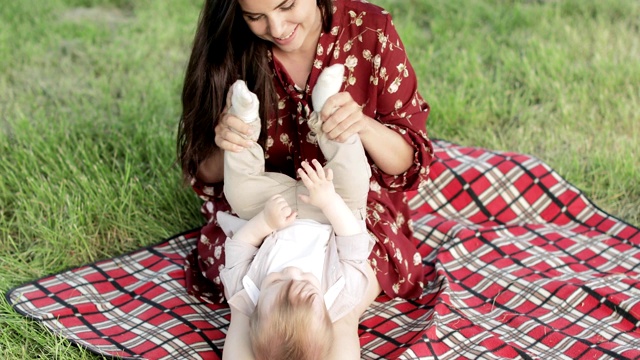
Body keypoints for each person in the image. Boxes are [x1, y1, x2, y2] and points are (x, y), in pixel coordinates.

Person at [177, 0, 433, 352]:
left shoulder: (370, 29)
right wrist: (229, 140)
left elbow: (407, 161)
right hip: (261, 204)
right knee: (249, 311)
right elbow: (205, 172)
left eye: (287, 5)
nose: (278, 29)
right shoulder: (230, 42)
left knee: (336, 309)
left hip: (347, 200)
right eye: (256, 17)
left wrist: (362, 126)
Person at [218, 67, 377, 359]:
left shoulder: (246, 291)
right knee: (355, 179)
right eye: (305, 281)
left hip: (271, 209)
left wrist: (265, 222)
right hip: (329, 208)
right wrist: (328, 201)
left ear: (255, 312)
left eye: (277, 281)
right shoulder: (343, 294)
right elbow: (354, 242)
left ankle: (244, 121)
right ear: (328, 315)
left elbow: (240, 245)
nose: (291, 271)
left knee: (238, 191)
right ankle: (327, 110)